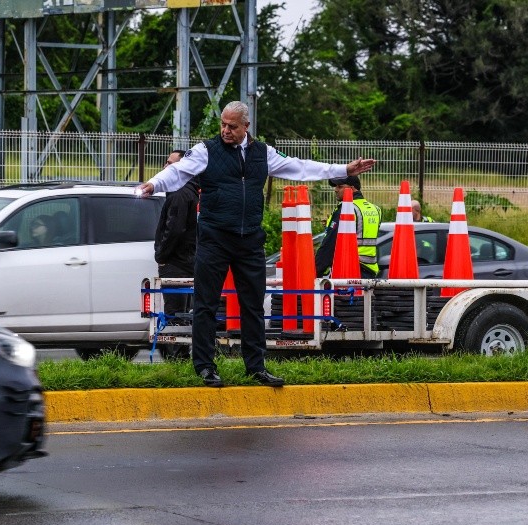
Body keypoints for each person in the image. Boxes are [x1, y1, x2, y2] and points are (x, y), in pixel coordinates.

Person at [135, 100, 376, 387]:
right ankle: (204, 366)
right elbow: (177, 172)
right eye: (223, 124)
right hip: (214, 239)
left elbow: (299, 167)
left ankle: (256, 366)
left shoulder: (263, 153)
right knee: (206, 304)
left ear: (246, 127)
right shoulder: (206, 151)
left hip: (249, 240)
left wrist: (342, 169)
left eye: (232, 126)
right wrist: (152, 184)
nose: (226, 130)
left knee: (252, 306)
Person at [154, 149, 199, 361]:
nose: (166, 167)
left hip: (177, 262)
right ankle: (180, 357)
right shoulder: (186, 191)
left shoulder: (180, 193)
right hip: (186, 260)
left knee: (176, 315)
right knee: (182, 313)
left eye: (172, 164)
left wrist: (161, 255)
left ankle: (177, 361)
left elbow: (175, 229)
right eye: (166, 162)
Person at [314, 175, 382, 279]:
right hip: (370, 271)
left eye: (340, 186)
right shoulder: (376, 209)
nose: (336, 190)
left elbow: (330, 245)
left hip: (348, 270)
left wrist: (315, 271)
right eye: (335, 186)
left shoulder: (346, 209)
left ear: (352, 188)